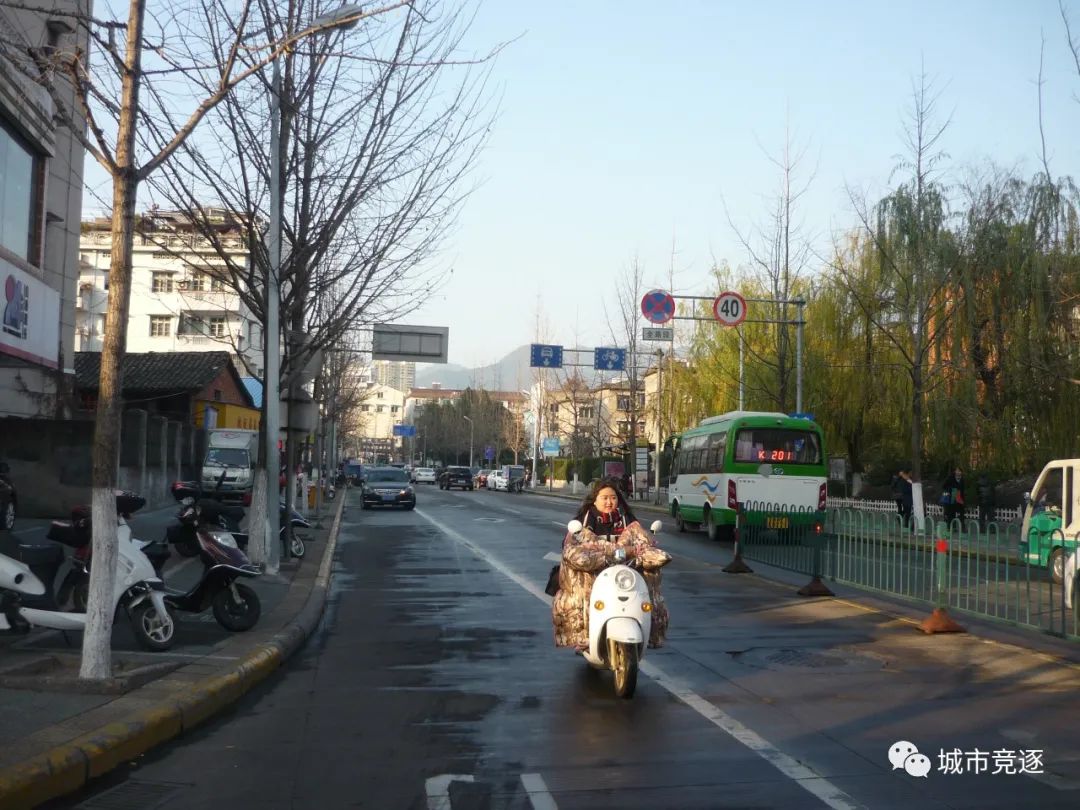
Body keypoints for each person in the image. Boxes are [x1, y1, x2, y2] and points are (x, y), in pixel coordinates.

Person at [551, 477, 670, 650]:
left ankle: (651, 633)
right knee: (579, 592)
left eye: (613, 497)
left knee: (651, 584)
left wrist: (645, 547)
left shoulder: (625, 517)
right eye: (604, 497)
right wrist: (601, 551)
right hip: (596, 567)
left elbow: (640, 537)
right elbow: (571, 543)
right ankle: (583, 636)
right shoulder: (586, 518)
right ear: (595, 499)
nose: (609, 502)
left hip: (624, 568)